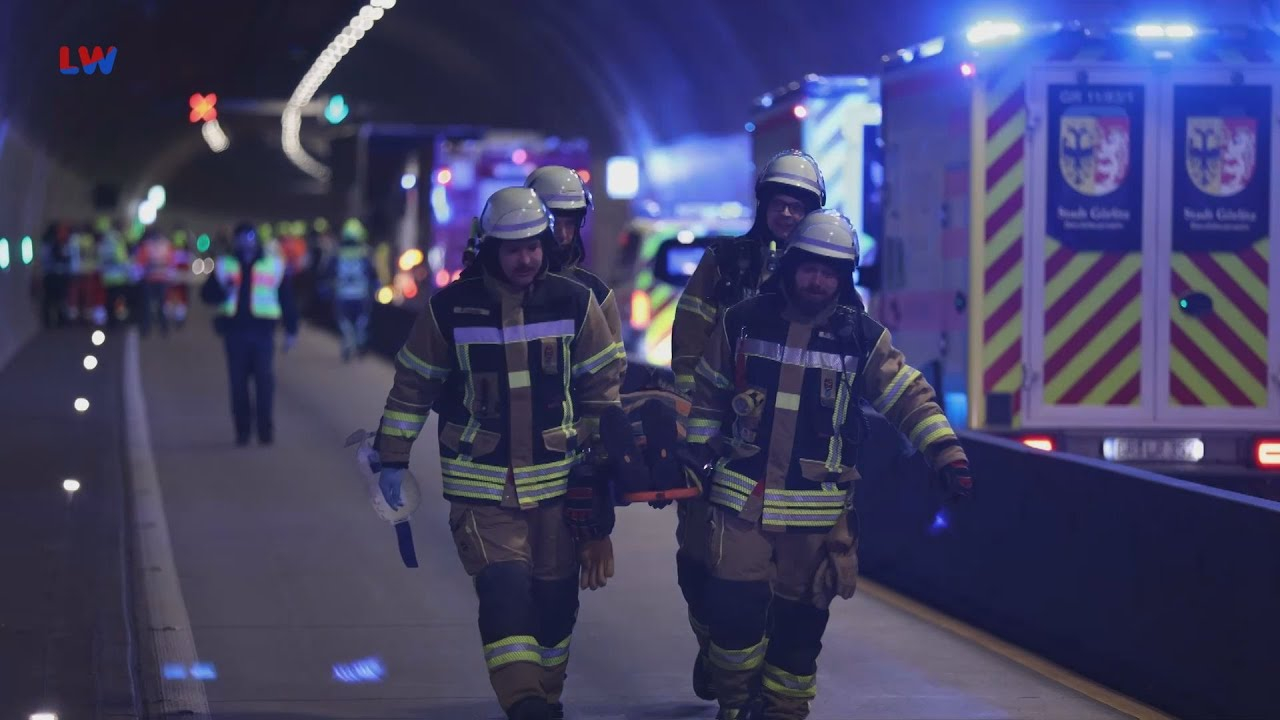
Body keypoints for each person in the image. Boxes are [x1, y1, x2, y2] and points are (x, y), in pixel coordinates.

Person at [686, 211, 974, 719]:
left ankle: (781, 710)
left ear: (845, 278)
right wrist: (700, 458)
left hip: (815, 520)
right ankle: (736, 701)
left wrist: (945, 452)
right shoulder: (742, 322)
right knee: (732, 615)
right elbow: (709, 395)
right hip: (742, 505)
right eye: (810, 268)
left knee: (799, 635)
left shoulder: (861, 338)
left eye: (831, 272)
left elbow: (908, 396)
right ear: (791, 265)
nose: (818, 281)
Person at [371, 187, 625, 720]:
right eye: (513, 249)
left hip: (557, 488)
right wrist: (392, 457)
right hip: (482, 489)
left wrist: (603, 481)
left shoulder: (575, 303)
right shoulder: (451, 309)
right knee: (504, 593)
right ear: (490, 249)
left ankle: (545, 695)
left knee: (555, 607)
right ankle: (525, 702)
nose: (526, 258)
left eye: (533, 246)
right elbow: (413, 386)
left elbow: (602, 393)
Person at [669, 150, 827, 701]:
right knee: (696, 563)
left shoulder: (823, 275)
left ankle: (748, 680)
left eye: (798, 207)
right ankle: (715, 646)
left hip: (781, 456)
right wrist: (697, 417)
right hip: (720, 440)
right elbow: (689, 339)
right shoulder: (728, 262)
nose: (788, 215)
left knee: (775, 585)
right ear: (764, 205)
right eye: (780, 204)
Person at [200, 222, 299, 446]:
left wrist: (291, 330)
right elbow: (206, 295)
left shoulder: (273, 266)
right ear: (235, 240)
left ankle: (265, 431)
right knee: (238, 385)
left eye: (250, 237)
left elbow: (287, 300)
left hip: (263, 333)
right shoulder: (226, 265)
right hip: (235, 333)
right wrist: (222, 288)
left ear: (256, 240)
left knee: (265, 382)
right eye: (241, 237)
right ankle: (242, 431)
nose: (246, 242)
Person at [321, 218, 379, 361]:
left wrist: (326, 287)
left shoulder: (336, 253)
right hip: (361, 294)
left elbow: (327, 273)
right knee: (361, 320)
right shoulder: (366, 252)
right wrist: (375, 287)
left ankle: (348, 339)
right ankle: (359, 339)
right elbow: (373, 274)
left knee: (344, 321)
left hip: (342, 294)